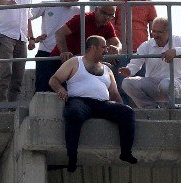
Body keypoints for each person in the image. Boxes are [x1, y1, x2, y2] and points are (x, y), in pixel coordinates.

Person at [48, 35, 137, 173]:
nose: (106, 51)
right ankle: (72, 158)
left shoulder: (107, 69)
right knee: (74, 113)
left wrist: (121, 107)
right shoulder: (75, 62)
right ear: (93, 47)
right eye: (103, 47)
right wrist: (60, 89)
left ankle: (126, 152)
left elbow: (114, 93)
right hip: (79, 102)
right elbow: (54, 79)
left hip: (102, 104)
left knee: (128, 112)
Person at [120, 17, 181, 109]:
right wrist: (129, 71)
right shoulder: (146, 45)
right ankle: (151, 108)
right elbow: (135, 63)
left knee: (165, 84)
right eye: (154, 31)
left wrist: (176, 51)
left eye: (159, 32)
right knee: (127, 83)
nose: (155, 35)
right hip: (153, 85)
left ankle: (173, 105)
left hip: (175, 84)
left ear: (168, 31)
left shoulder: (178, 40)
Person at [31, 0, 84, 93]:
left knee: (67, 91)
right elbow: (25, 17)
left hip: (66, 56)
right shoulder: (48, 5)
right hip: (46, 52)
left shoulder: (79, 12)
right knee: (42, 90)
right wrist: (32, 38)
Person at [51, 0, 122, 62]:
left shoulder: (107, 25)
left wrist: (116, 49)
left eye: (111, 15)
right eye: (104, 13)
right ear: (96, 9)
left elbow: (117, 43)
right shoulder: (82, 18)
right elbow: (59, 32)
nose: (107, 18)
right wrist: (64, 52)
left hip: (80, 62)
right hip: (60, 60)